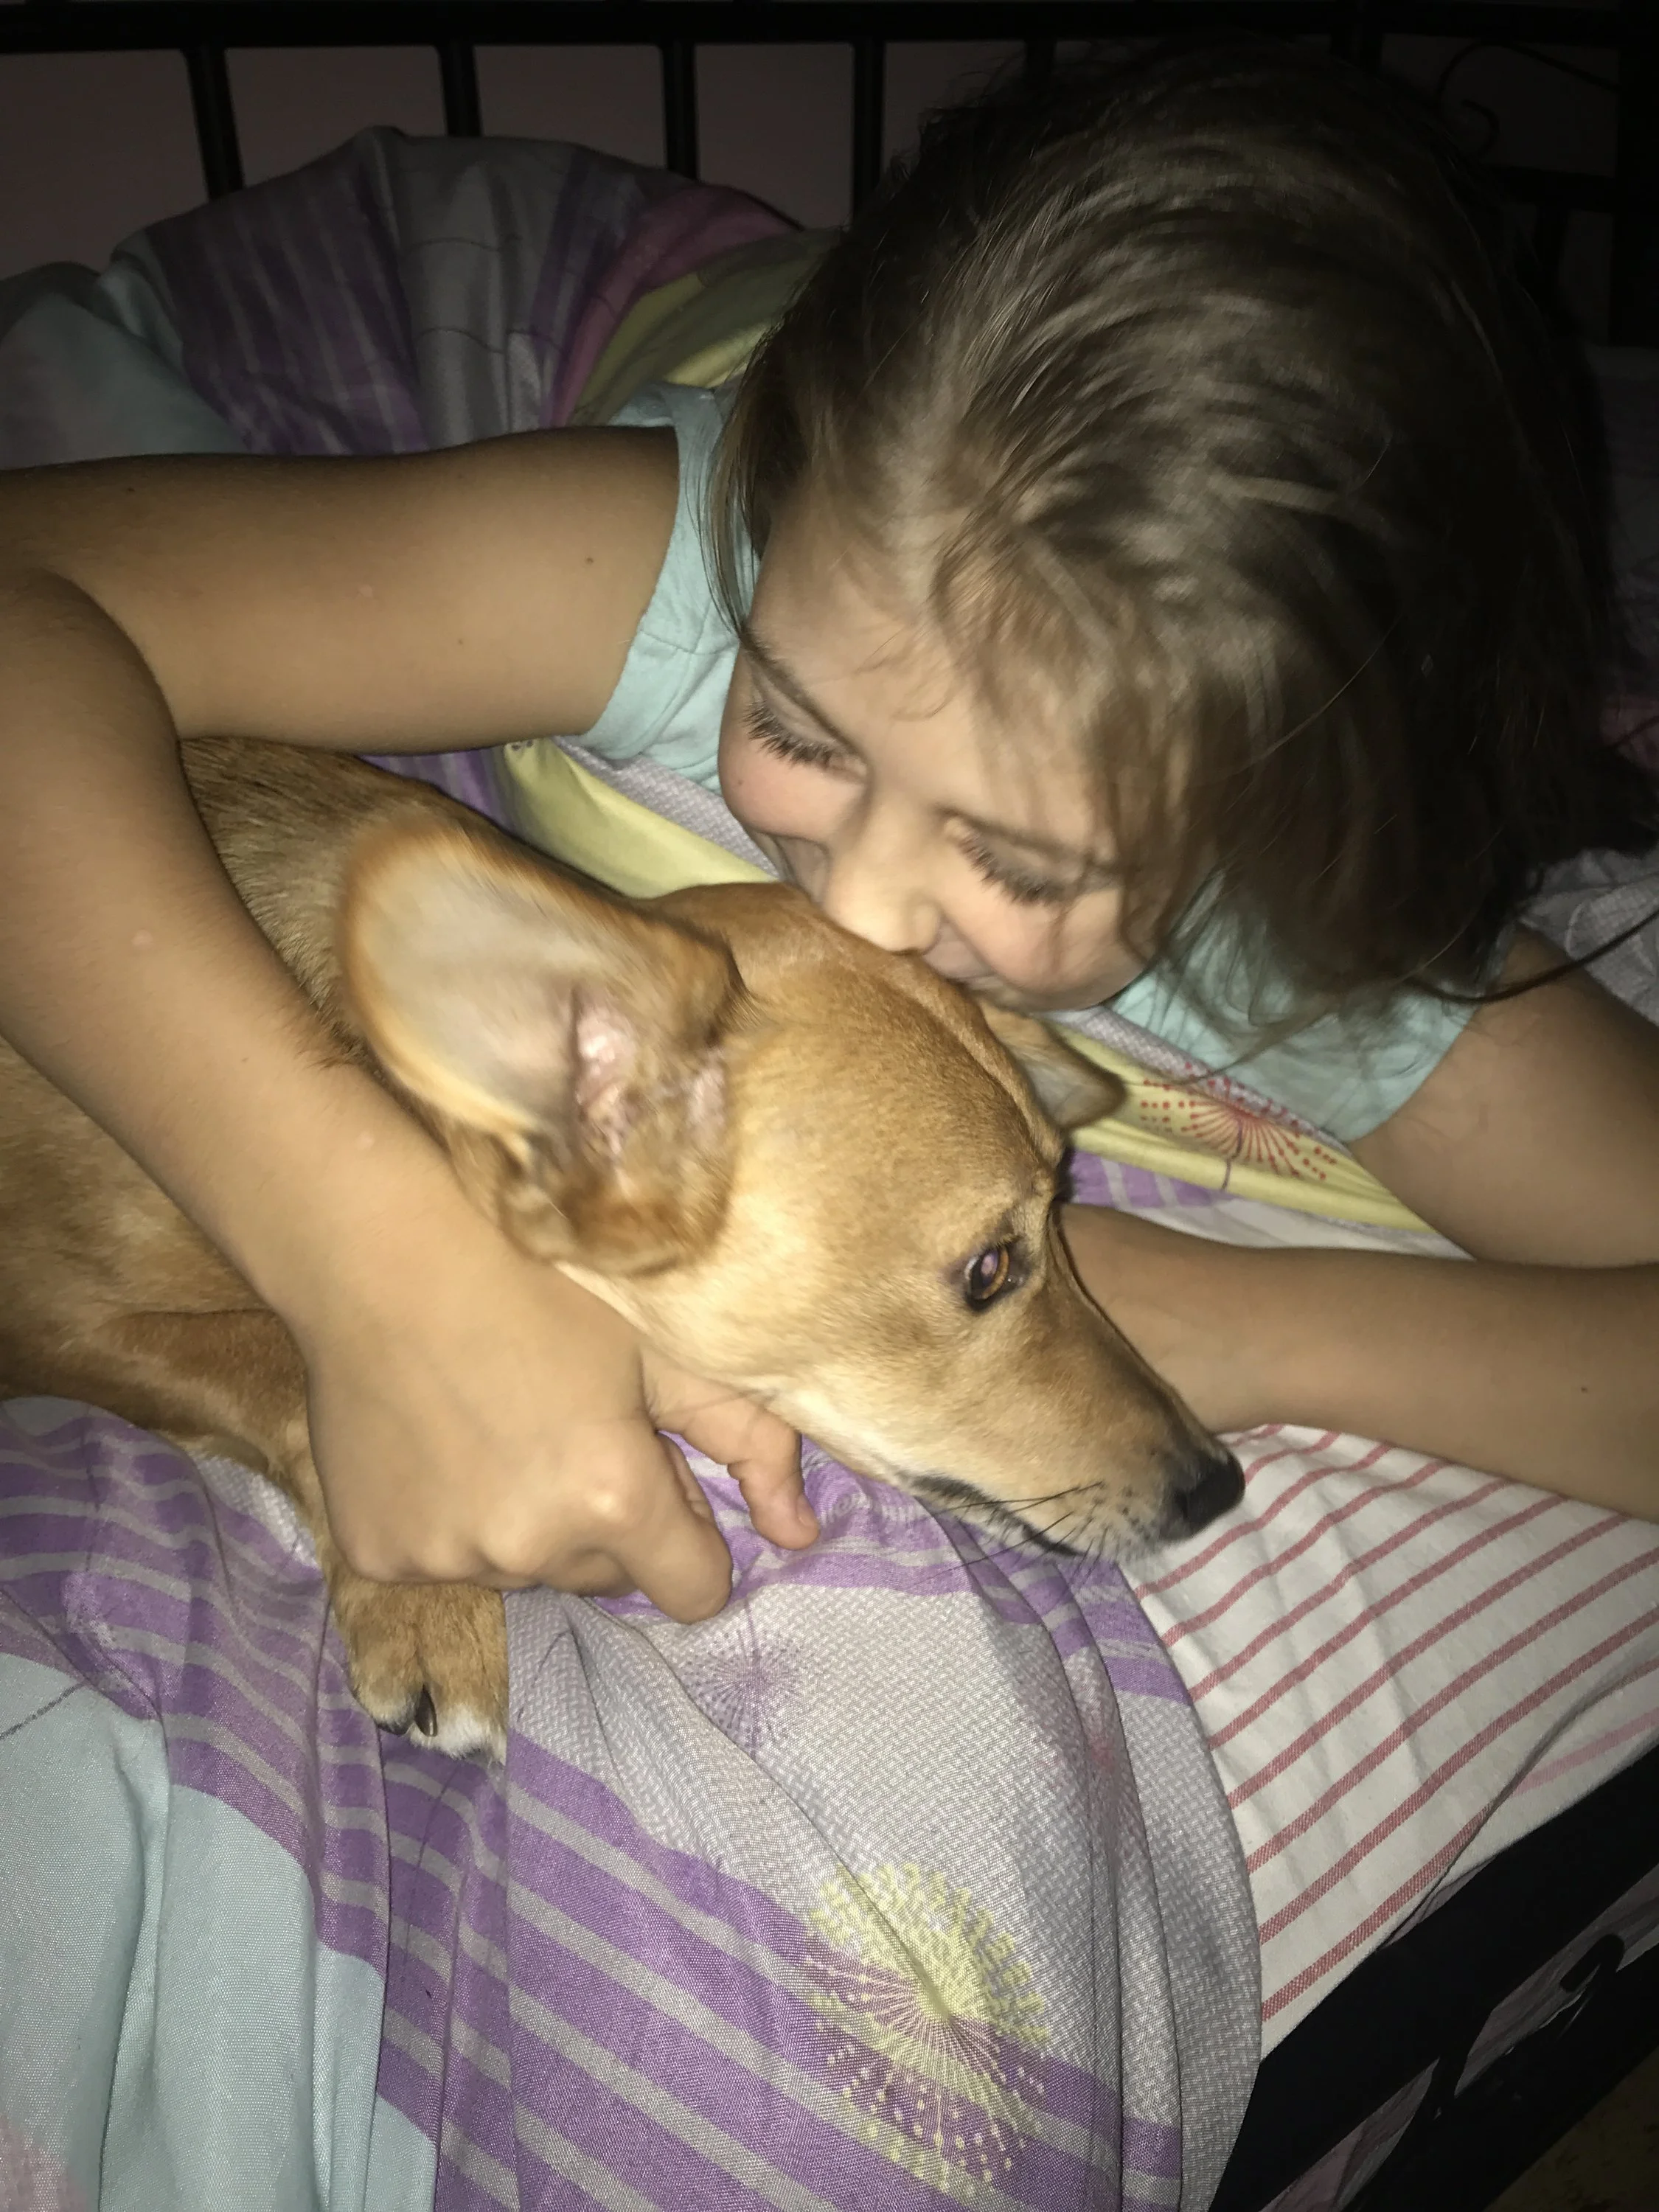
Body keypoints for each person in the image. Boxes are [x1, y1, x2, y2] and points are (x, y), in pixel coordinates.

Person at [1, 44, 1655, 1628]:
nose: (858, 910)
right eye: (796, 730)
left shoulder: (1296, 903)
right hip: (424, 302)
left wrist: (1260, 1325)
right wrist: (375, 1257)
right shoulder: (699, 572)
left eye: (1021, 862)